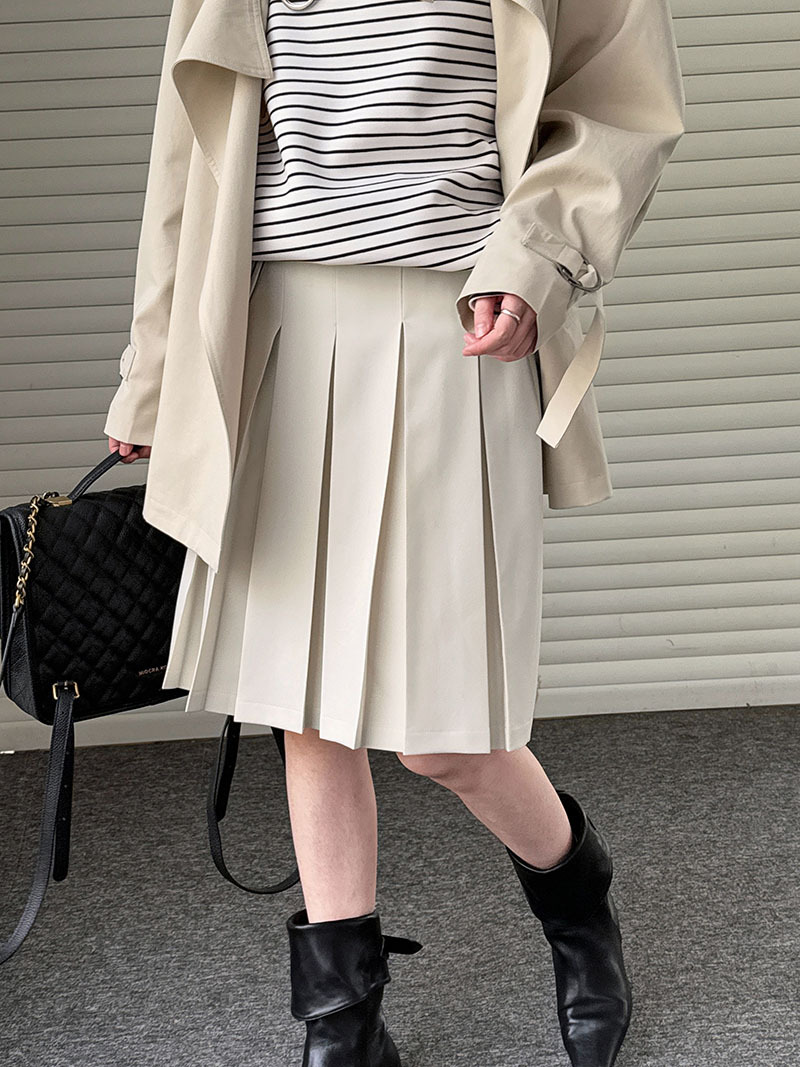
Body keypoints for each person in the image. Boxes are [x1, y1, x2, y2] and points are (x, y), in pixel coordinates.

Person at [104, 0, 685, 1063]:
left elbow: (620, 104)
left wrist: (537, 259)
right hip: (276, 326)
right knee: (305, 708)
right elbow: (188, 154)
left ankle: (577, 902)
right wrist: (152, 375)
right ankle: (343, 1026)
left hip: (459, 329)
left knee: (445, 734)